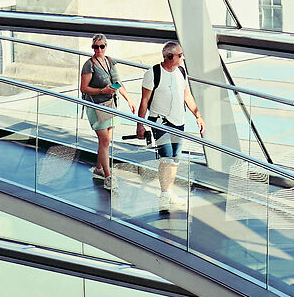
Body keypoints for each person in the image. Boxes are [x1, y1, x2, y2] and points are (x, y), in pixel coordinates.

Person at [134, 40, 207, 218]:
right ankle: (164, 195)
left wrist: (197, 115)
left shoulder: (181, 72)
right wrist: (140, 124)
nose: (183, 58)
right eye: (180, 55)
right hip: (160, 121)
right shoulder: (153, 73)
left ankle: (169, 191)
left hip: (178, 122)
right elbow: (144, 101)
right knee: (166, 158)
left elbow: (186, 95)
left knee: (175, 159)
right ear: (169, 57)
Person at [79, 33, 124, 187]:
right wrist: (102, 91)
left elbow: (117, 82)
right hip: (95, 106)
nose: (98, 49)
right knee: (104, 140)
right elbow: (83, 88)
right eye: (95, 47)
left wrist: (129, 100)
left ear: (106, 47)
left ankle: (99, 168)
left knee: (106, 140)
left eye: (101, 46)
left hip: (110, 104)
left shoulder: (109, 61)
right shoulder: (89, 65)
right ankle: (108, 176)